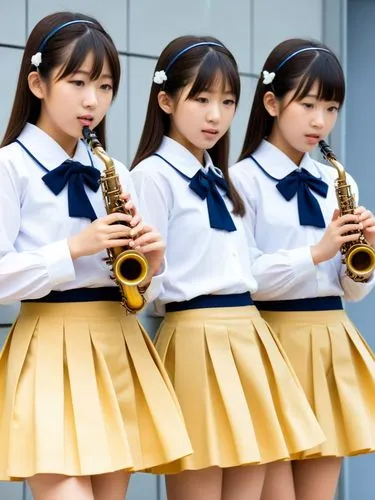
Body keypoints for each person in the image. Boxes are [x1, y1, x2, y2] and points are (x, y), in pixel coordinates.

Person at [0, 11, 192, 500]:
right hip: (48, 346)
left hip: (116, 346)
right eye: (78, 82)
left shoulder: (115, 171)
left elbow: (136, 301)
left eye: (105, 87)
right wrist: (74, 247)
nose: (93, 101)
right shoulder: (9, 167)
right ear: (37, 84)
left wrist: (149, 268)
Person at [130, 35, 325, 500]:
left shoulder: (221, 177)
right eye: (201, 99)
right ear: (166, 100)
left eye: (228, 101)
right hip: (196, 337)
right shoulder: (151, 175)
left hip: (248, 338)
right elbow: (145, 283)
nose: (216, 115)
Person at [230, 38, 375, 500]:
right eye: (308, 104)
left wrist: (362, 261)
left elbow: (350, 293)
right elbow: (245, 276)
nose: (320, 121)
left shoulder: (338, 180)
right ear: (272, 102)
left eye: (331, 108)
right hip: (270, 342)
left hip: (331, 343)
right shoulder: (241, 180)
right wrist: (316, 251)